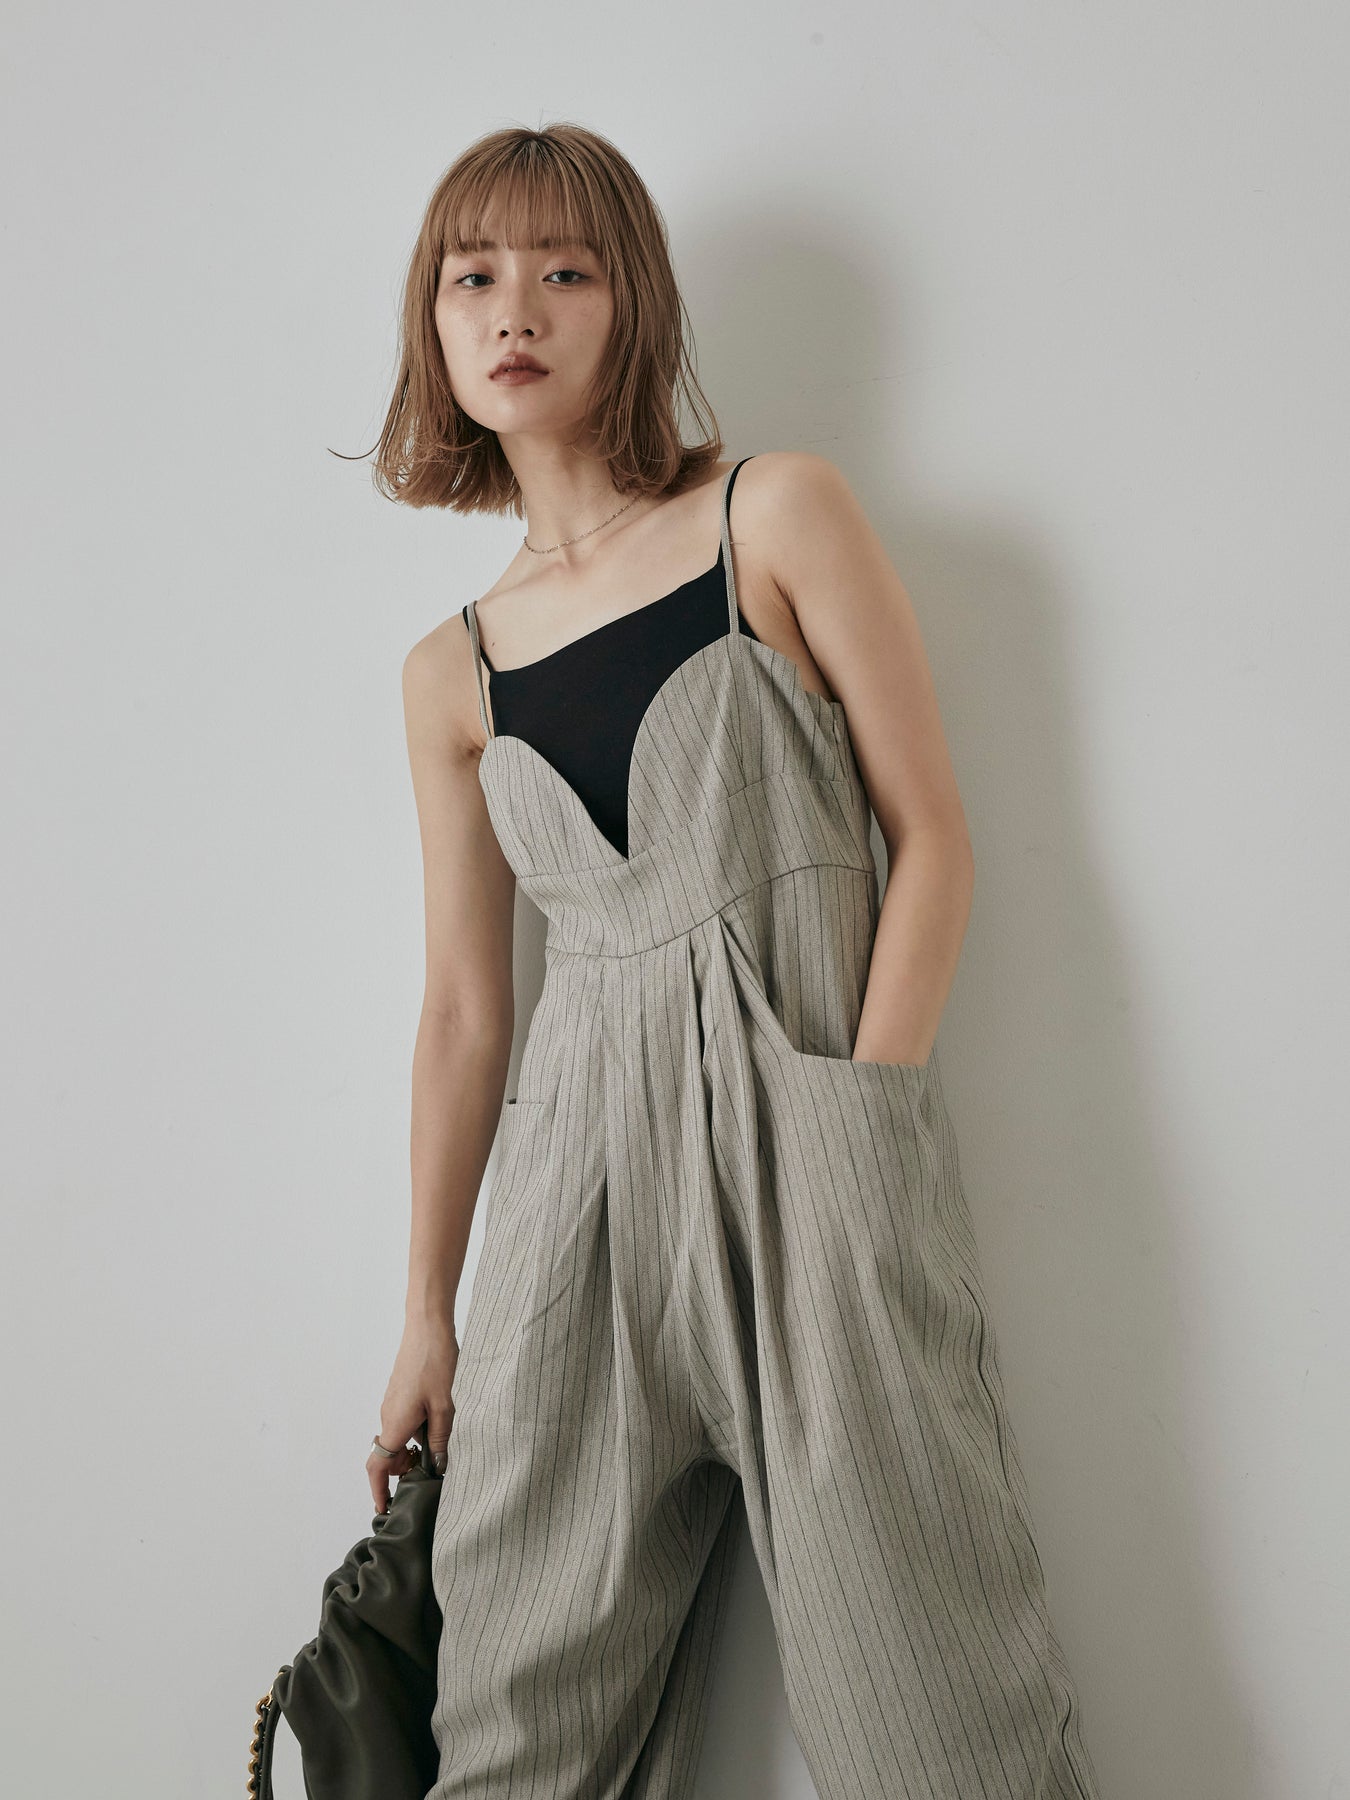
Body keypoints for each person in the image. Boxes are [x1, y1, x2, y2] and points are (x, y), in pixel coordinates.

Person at [363, 122, 1103, 1800]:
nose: (514, 309)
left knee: (933, 1710)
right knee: (514, 1728)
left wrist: (857, 1123)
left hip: (809, 1161)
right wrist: (425, 1312)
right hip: (570, 1214)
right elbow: (467, 1011)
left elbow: (931, 836)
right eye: (472, 277)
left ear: (631, 304)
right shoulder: (448, 675)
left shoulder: (770, 515)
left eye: (565, 268)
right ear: (433, 323)